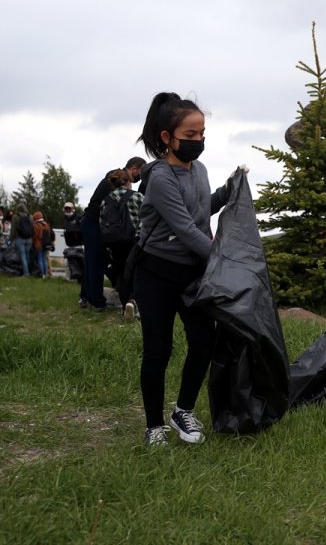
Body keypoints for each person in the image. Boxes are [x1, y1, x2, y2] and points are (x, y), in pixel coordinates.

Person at [133, 92, 238, 446]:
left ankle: (183, 411)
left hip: (190, 273)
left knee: (204, 341)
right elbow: (187, 230)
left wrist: (228, 191)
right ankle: (153, 426)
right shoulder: (160, 177)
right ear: (167, 138)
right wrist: (223, 261)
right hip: (156, 273)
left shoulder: (200, 170)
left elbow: (198, 210)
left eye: (202, 134)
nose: (198, 142)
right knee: (158, 349)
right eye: (190, 136)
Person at [81, 156, 146, 311]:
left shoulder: (111, 177)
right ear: (135, 169)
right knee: (96, 262)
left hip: (94, 222)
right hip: (94, 223)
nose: (139, 179)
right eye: (140, 174)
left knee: (94, 261)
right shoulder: (115, 181)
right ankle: (96, 301)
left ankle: (89, 298)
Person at [99, 168, 143, 316]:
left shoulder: (106, 200)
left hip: (115, 242)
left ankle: (125, 307)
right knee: (136, 272)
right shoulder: (137, 196)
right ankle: (134, 302)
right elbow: (146, 218)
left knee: (122, 274)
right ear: (128, 182)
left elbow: (102, 223)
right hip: (133, 241)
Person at [11, 204, 34, 276]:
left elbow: (13, 229)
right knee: (27, 256)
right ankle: (27, 271)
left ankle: (26, 273)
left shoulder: (15, 217)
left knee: (22, 256)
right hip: (29, 238)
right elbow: (32, 227)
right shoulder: (30, 216)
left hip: (20, 238)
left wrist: (11, 239)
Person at [32, 212, 52, 278]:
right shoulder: (46, 224)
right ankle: (46, 274)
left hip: (39, 244)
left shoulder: (36, 225)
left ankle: (41, 274)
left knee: (40, 259)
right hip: (46, 244)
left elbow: (35, 235)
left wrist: (33, 242)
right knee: (44, 259)